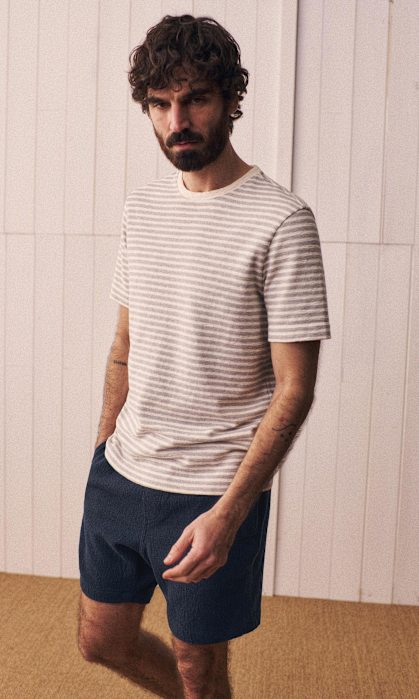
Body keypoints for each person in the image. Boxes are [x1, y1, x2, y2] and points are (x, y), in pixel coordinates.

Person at [77, 13, 331, 699]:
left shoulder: (282, 220)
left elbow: (295, 387)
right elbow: (125, 347)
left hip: (211, 489)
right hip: (121, 472)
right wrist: (104, 445)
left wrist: (230, 511)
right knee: (100, 640)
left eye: (195, 100)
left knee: (198, 668)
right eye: (160, 104)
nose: (177, 121)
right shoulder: (142, 209)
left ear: (230, 100)